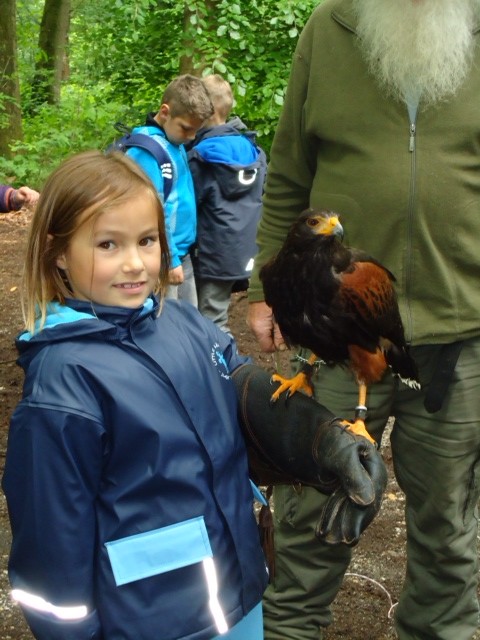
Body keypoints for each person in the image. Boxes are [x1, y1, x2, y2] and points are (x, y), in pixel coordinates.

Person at [1, 150, 387, 640]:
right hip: (149, 624)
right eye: (107, 244)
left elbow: (238, 386)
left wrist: (321, 441)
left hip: (239, 598)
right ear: (58, 253)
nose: (135, 262)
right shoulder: (64, 383)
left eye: (146, 240)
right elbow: (49, 553)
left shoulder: (182, 322)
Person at [247, 0, 480, 639]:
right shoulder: (331, 28)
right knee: (308, 521)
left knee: (449, 530)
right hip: (332, 334)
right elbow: (288, 172)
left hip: (462, 332)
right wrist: (264, 290)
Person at [188, 74, 267, 333]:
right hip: (245, 251)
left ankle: (222, 359)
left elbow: (189, 204)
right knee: (217, 313)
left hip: (213, 254)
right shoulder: (254, 151)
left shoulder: (200, 156)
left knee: (211, 321)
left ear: (203, 110)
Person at [127, 74, 214, 306]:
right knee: (168, 318)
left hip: (181, 252)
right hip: (163, 257)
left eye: (196, 131)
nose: (191, 137)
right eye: (186, 128)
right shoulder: (147, 152)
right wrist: (170, 258)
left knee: (189, 318)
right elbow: (152, 211)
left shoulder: (174, 142)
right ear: (165, 112)